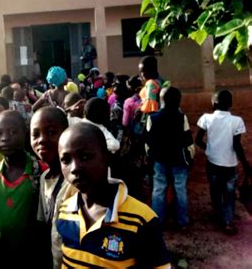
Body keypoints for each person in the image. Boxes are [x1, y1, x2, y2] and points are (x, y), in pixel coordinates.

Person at [56, 122, 171, 268]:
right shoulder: (65, 210)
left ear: (107, 158)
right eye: (66, 160)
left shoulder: (142, 219)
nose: (75, 168)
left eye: (85, 157)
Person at [0, 111, 48, 268]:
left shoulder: (40, 171)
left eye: (13, 132)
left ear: (25, 133)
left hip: (33, 252)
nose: (5, 138)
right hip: (2, 250)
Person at [195, 90, 252, 234]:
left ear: (213, 103)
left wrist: (209, 148)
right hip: (230, 164)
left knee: (215, 191)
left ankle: (218, 215)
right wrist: (245, 164)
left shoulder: (206, 118)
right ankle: (228, 221)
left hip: (212, 162)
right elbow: (237, 145)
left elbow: (197, 140)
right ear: (231, 104)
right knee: (230, 193)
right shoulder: (236, 121)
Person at [30, 107, 74, 269]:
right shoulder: (44, 178)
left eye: (51, 132)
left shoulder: (76, 181)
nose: (41, 140)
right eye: (35, 134)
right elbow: (44, 222)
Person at [146, 87, 194, 229]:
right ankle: (182, 221)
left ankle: (157, 221)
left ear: (160, 100)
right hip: (179, 159)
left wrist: (150, 158)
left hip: (159, 160)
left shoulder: (152, 117)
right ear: (179, 101)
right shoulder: (182, 117)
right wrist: (190, 157)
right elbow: (188, 140)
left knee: (159, 190)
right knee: (180, 190)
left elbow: (148, 142)